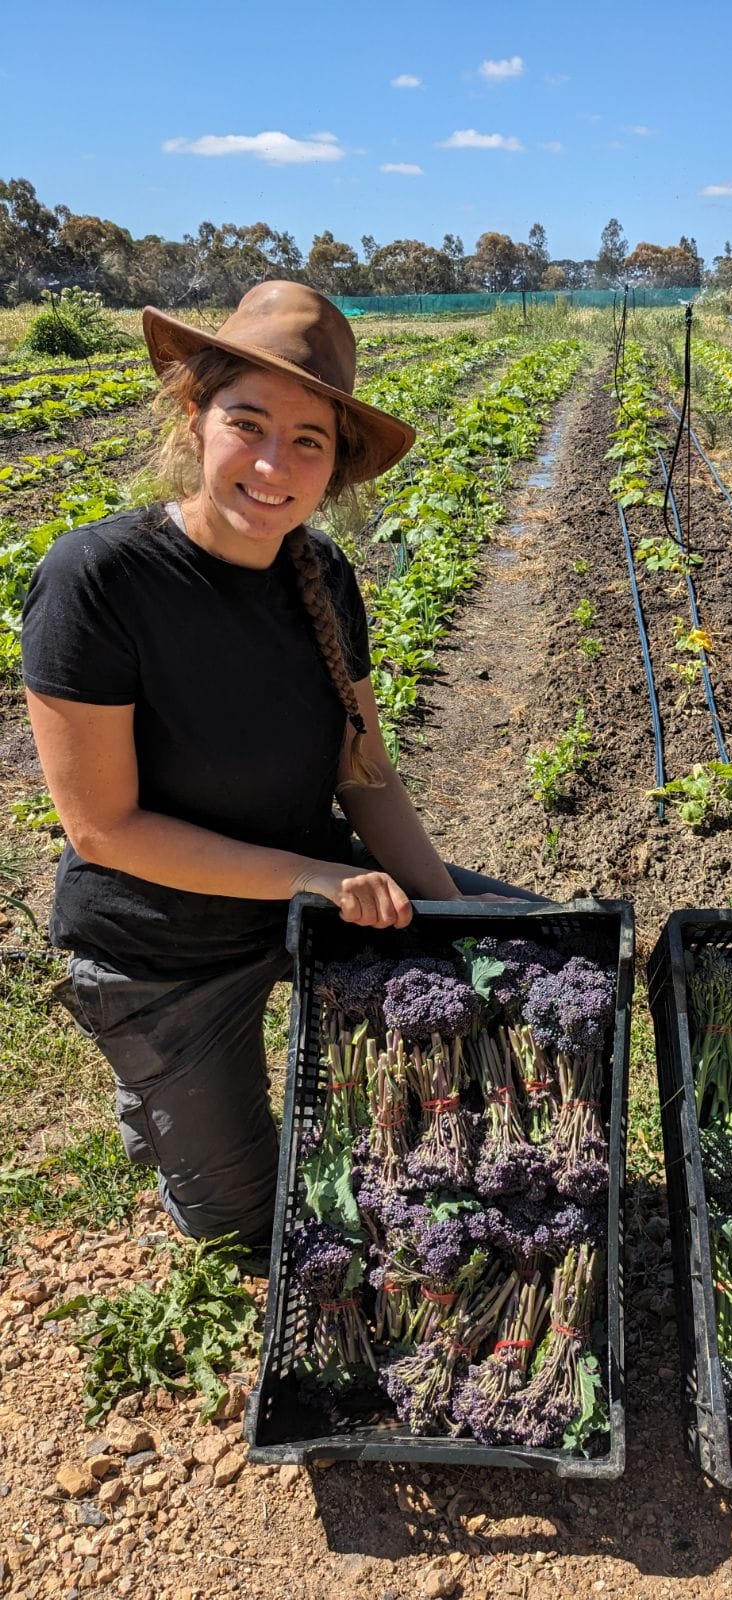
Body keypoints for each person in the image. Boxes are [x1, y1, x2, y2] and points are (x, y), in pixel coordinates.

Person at [21, 281, 537, 1266]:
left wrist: (448, 923)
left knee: (530, 959)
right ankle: (167, 1100)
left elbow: (368, 778)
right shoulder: (97, 579)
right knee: (247, 1227)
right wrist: (320, 878)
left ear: (336, 465)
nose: (274, 463)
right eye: (247, 422)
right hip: (160, 948)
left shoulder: (324, 577)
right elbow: (103, 829)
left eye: (310, 441)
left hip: (308, 904)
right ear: (193, 415)